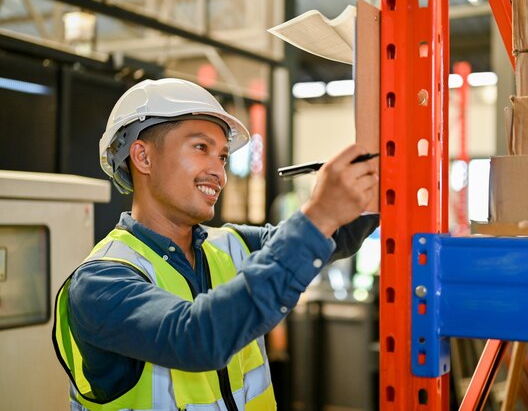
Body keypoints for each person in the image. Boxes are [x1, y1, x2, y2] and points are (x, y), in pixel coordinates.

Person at [53, 78, 379, 411]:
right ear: (143, 157)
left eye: (222, 157)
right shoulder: (100, 283)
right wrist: (319, 214)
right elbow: (197, 337)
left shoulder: (230, 244)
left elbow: (331, 238)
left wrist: (376, 189)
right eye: (201, 148)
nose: (219, 173)